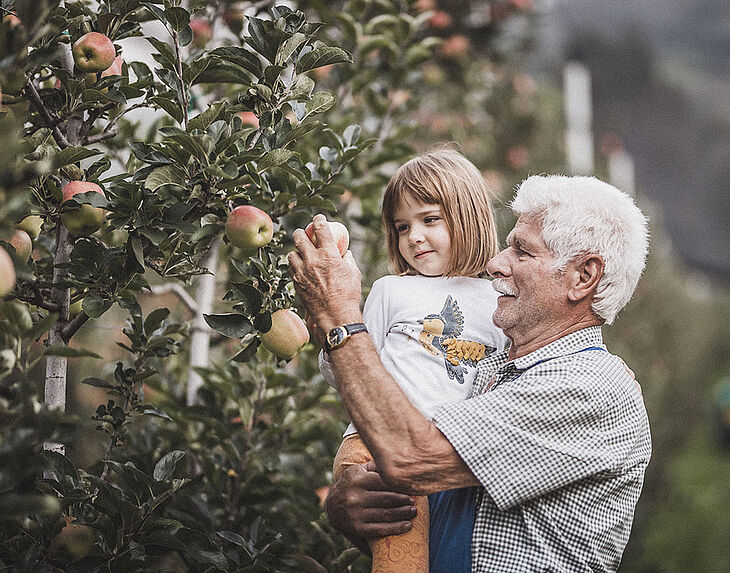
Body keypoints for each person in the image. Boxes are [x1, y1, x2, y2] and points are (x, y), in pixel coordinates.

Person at [288, 174, 651, 572]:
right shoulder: (488, 372)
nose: (495, 262)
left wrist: (339, 315)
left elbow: (410, 457)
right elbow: (425, 521)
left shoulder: (589, 386)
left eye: (522, 252)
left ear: (583, 277)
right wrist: (350, 510)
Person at [318, 149, 509, 572]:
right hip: (376, 447)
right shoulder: (392, 290)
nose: (414, 237)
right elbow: (345, 366)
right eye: (402, 227)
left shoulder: (500, 301)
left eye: (429, 219)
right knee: (402, 564)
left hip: (442, 457)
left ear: (469, 216)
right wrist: (329, 324)